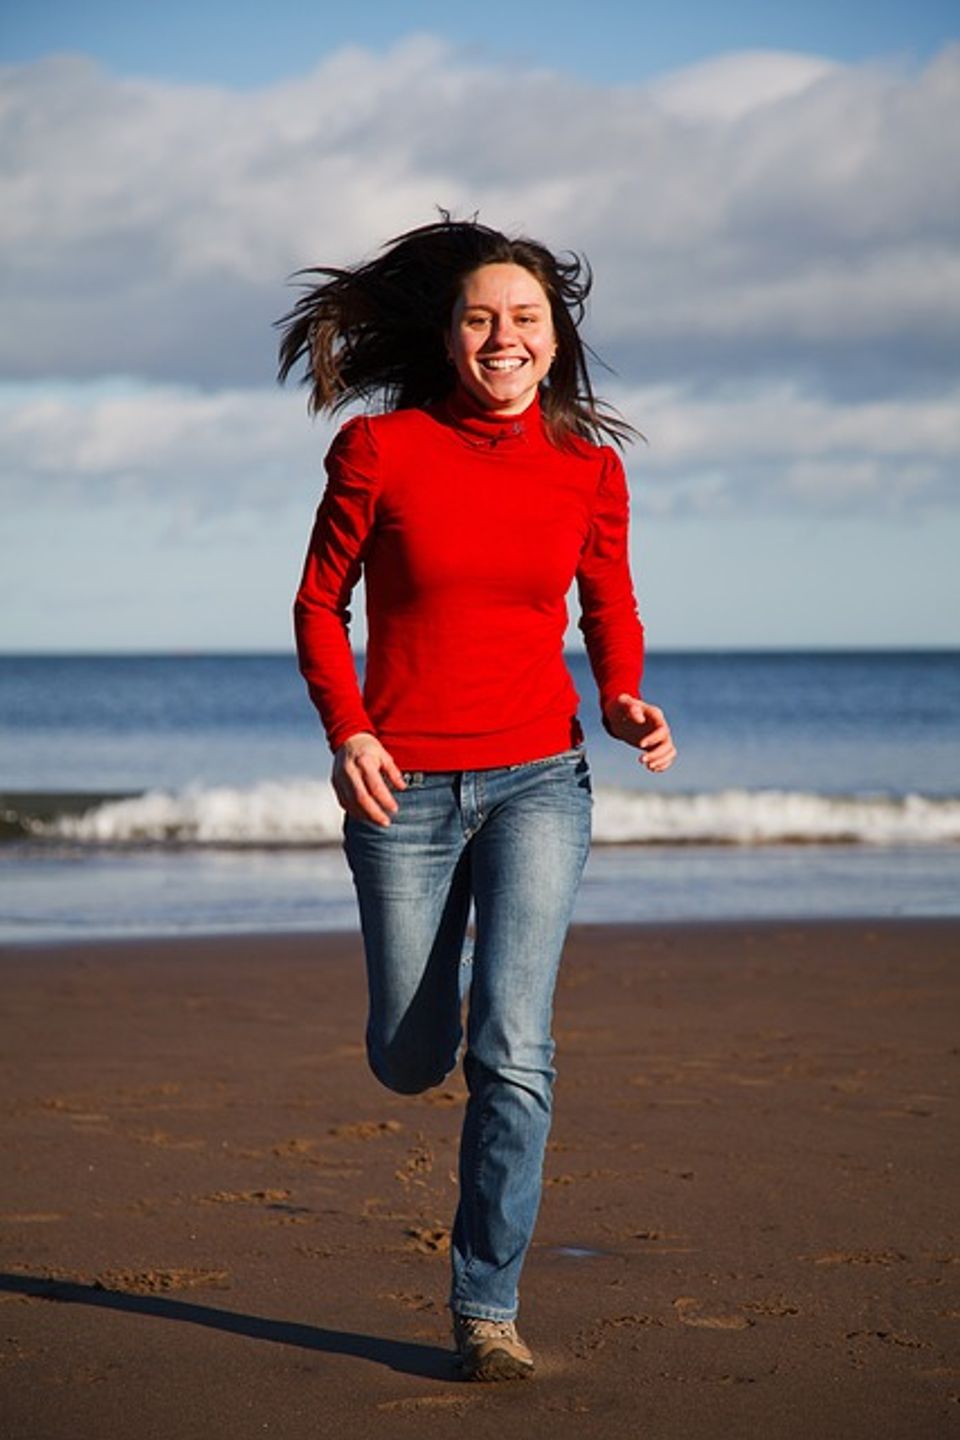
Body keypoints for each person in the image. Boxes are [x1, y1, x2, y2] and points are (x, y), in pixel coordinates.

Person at [277, 216, 676, 1382]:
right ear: (450, 334)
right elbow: (317, 606)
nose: (505, 337)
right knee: (410, 1058)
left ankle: (485, 1308)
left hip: (540, 781)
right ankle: (426, 1021)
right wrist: (347, 729)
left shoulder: (591, 471)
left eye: (527, 319)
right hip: (401, 786)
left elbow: (608, 604)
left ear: (556, 341)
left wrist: (622, 697)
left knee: (514, 1048)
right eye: (482, 317)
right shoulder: (379, 451)